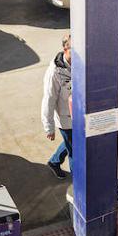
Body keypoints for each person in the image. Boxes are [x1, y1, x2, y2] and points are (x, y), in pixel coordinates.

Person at [41, 34, 72, 180]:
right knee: (75, 151)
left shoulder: (80, 62)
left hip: (79, 115)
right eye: (74, 49)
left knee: (72, 142)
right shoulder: (54, 72)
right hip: (65, 119)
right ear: (65, 48)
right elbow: (48, 100)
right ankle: (78, 184)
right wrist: (49, 127)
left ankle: (54, 161)